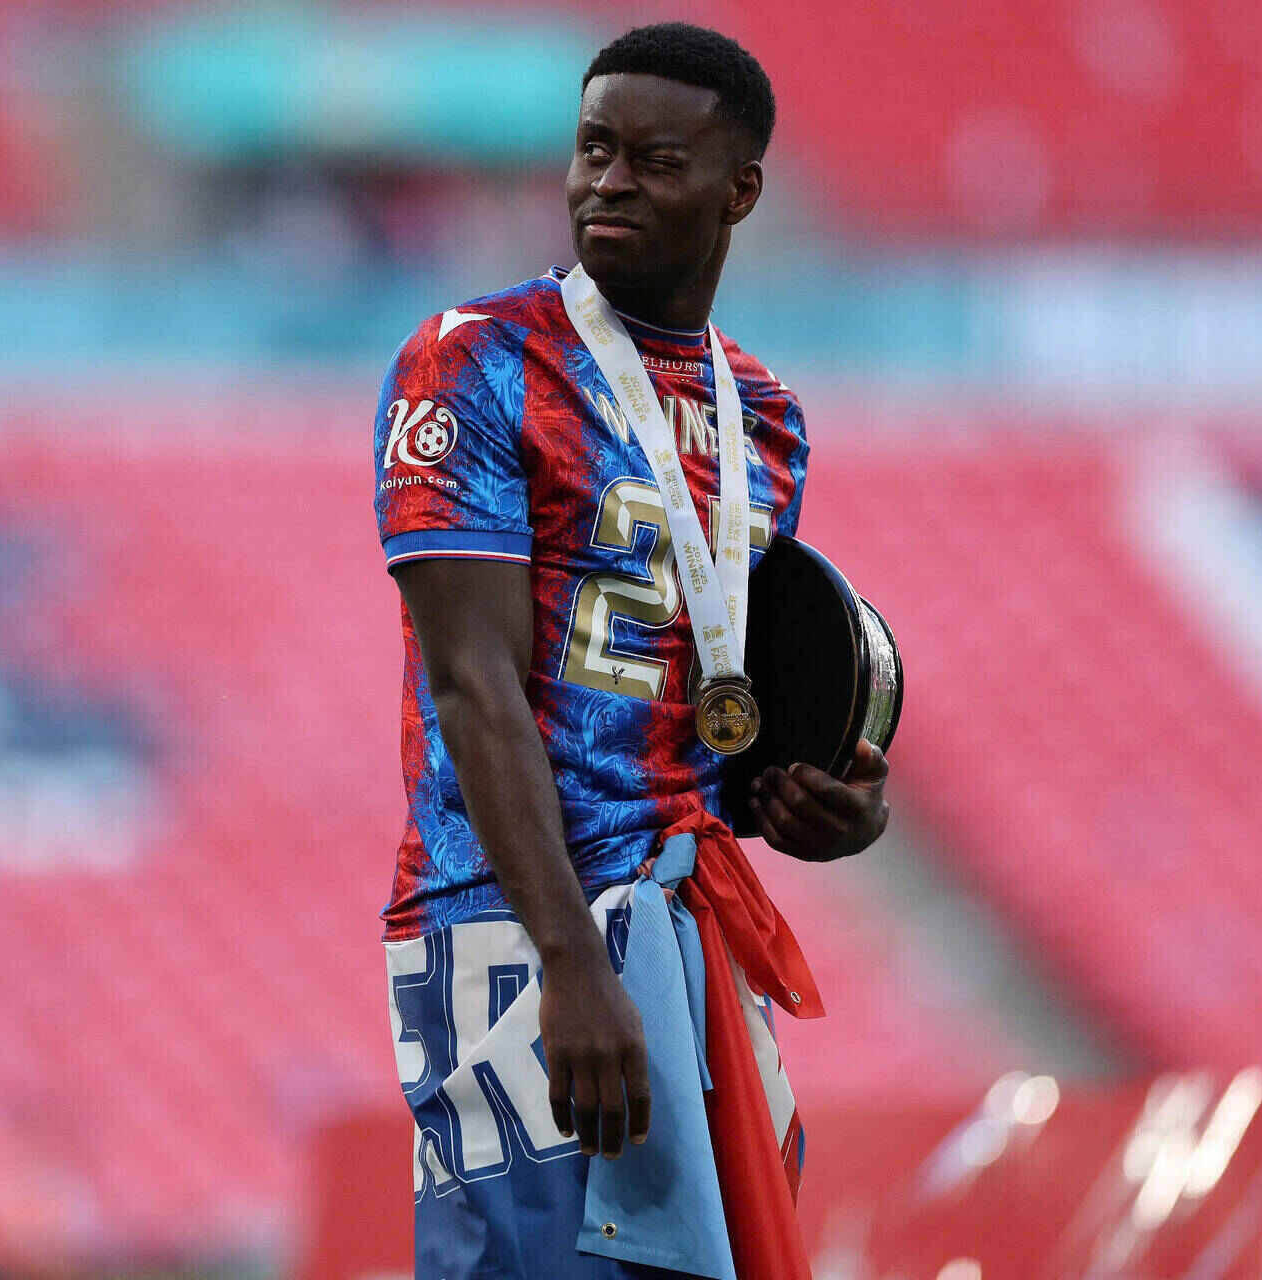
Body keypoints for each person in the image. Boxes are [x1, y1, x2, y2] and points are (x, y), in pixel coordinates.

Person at [372, 22, 890, 1279]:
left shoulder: (764, 415)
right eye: (594, 148)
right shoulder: (474, 359)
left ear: (739, 192)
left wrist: (825, 805)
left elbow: (708, 704)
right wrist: (568, 959)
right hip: (511, 923)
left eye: (656, 161)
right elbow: (472, 684)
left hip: (687, 921)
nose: (608, 181)